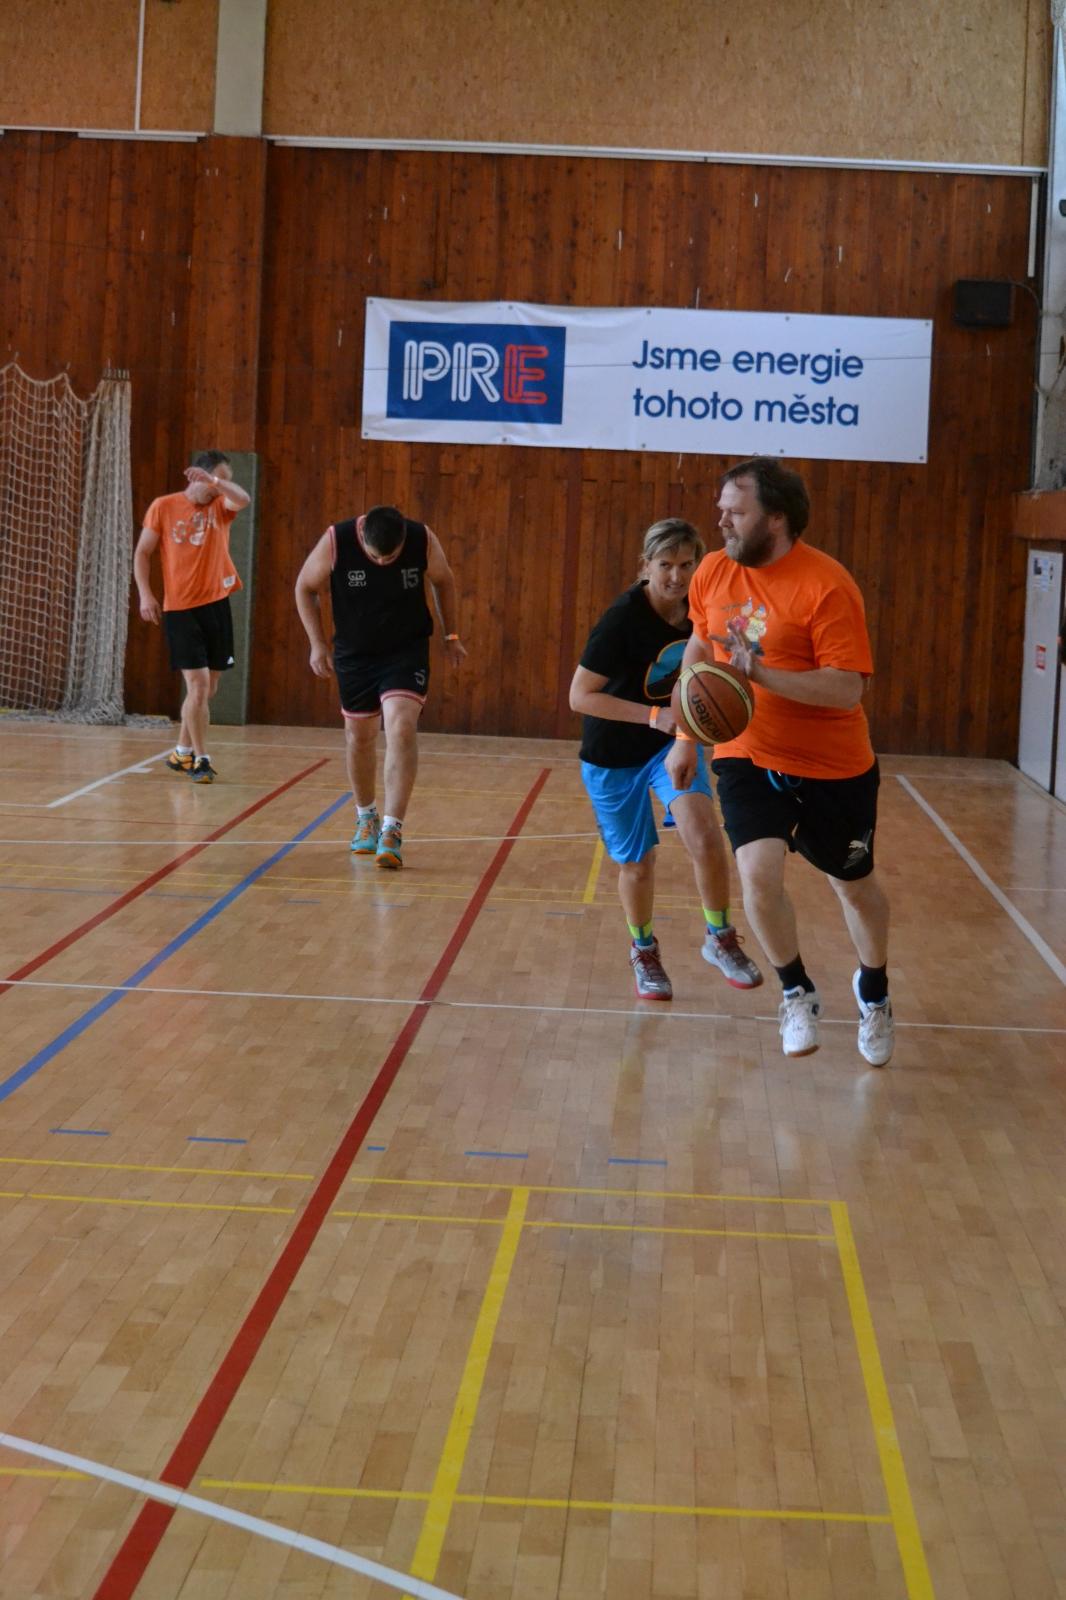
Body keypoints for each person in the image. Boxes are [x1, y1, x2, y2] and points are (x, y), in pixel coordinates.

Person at [666, 457, 894, 1066]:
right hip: (747, 751)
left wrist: (762, 674)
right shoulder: (713, 571)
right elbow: (699, 646)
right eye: (721, 510)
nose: (721, 521)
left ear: (776, 518)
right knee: (758, 875)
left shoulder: (826, 585)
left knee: (853, 886)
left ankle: (874, 991)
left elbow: (847, 687)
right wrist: (685, 734)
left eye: (735, 512)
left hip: (832, 763)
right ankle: (795, 992)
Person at [569, 517, 762, 1001]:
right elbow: (579, 696)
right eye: (665, 565)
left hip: (667, 746)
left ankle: (719, 937)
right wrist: (655, 716)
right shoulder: (621, 621)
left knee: (705, 834)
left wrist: (686, 734)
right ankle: (644, 950)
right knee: (638, 864)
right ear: (646, 566)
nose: (676, 576)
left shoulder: (702, 610)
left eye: (686, 564)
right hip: (613, 755)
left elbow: (715, 664)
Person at [295, 504, 466, 868]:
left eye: (391, 557)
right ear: (363, 537)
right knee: (359, 736)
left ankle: (392, 828)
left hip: (405, 651)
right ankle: (366, 817)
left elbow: (444, 580)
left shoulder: (421, 538)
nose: (384, 562)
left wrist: (451, 635)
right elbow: (305, 588)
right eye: (376, 557)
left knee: (401, 727)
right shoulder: (337, 540)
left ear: (402, 539)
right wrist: (317, 643)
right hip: (355, 654)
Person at [134, 451, 251, 784]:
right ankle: (201, 759)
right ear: (196, 475)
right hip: (180, 609)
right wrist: (146, 594)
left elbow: (243, 498)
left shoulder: (221, 505)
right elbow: (143, 552)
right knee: (197, 686)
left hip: (216, 605)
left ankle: (181, 751)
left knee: (208, 689)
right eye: (216, 478)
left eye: (223, 481)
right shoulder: (164, 506)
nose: (220, 486)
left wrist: (217, 483)